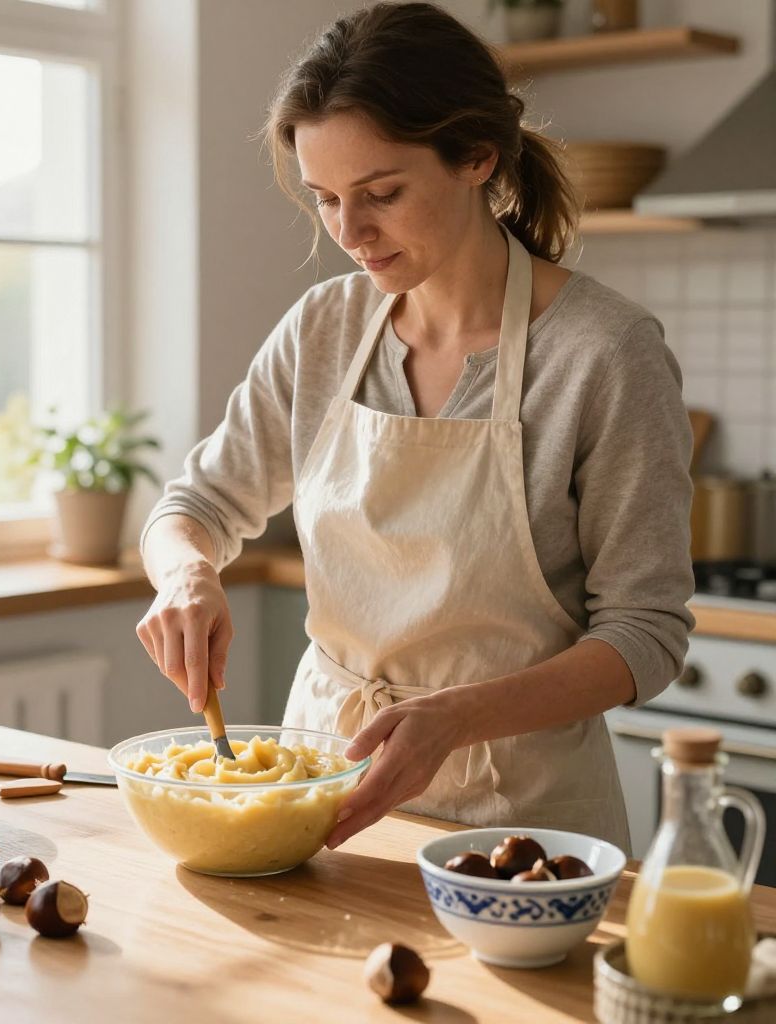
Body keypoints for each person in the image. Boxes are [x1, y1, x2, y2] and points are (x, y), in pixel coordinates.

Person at [136, 1, 694, 853]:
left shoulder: (603, 353)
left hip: (520, 825)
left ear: (476, 155)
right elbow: (196, 507)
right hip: (317, 790)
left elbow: (646, 633)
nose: (350, 234)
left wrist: (456, 718)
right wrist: (184, 577)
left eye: (382, 194)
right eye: (325, 199)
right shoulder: (323, 330)